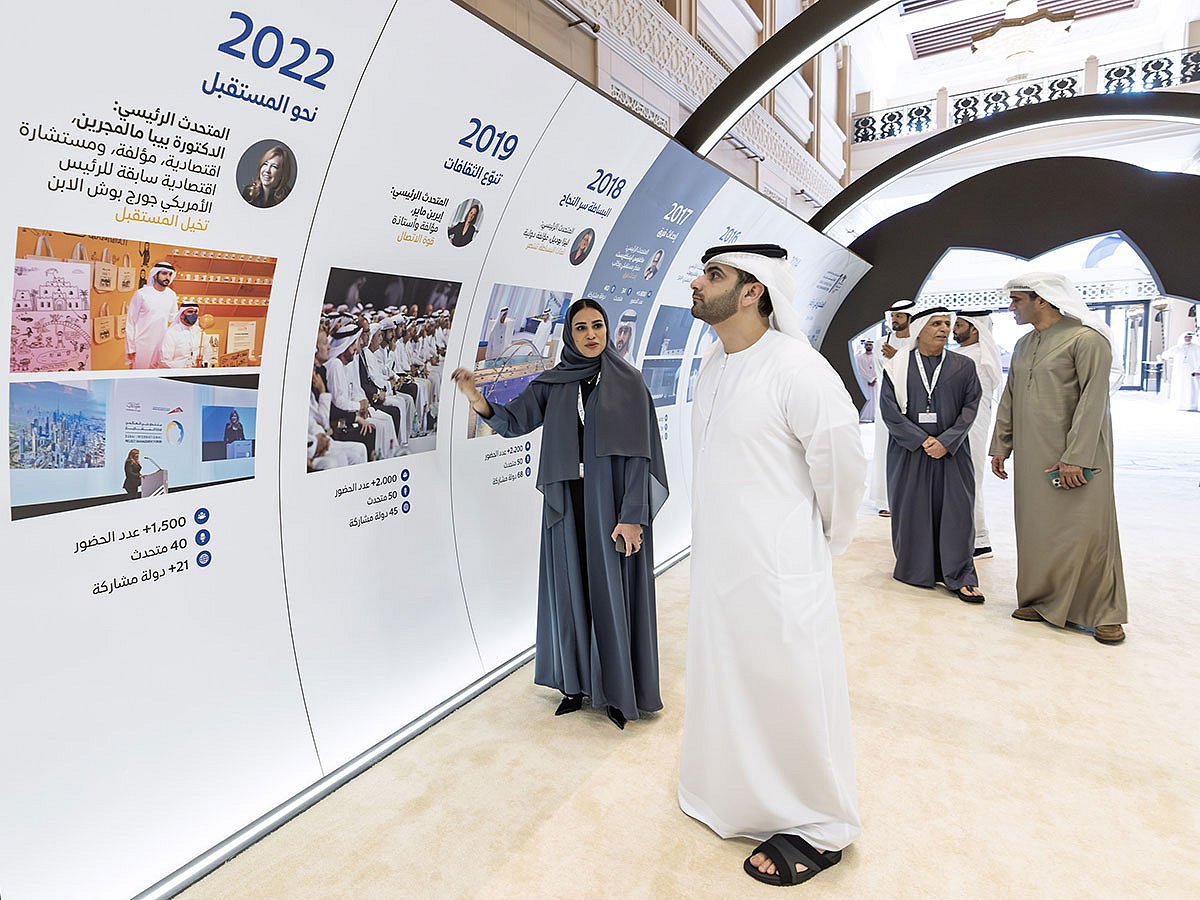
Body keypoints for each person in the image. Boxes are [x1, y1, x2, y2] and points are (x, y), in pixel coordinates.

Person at [681, 244, 865, 887]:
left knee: (791, 685)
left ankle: (820, 824)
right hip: (721, 567)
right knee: (729, 678)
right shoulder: (712, 364)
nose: (698, 285)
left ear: (754, 290)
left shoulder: (799, 369)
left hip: (780, 563)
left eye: (714, 276)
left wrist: (816, 543)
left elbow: (842, 470)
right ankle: (735, 795)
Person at [451, 298, 668, 730]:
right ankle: (576, 683)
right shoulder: (554, 382)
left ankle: (616, 690)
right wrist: (476, 398)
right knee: (570, 587)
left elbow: (642, 455)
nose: (591, 335)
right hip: (568, 499)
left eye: (598, 326)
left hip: (613, 504)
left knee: (612, 592)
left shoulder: (630, 383)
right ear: (569, 334)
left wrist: (633, 515)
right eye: (582, 327)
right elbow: (515, 422)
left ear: (607, 330)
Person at [990, 272, 1128, 645]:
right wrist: (1001, 444)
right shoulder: (1022, 344)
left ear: (1044, 299)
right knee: (1037, 529)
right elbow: (1011, 395)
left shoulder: (1088, 339)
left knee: (1087, 530)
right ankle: (1041, 599)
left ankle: (1104, 613)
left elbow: (1093, 401)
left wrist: (1075, 457)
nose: (1011, 307)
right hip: (1033, 455)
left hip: (1078, 454)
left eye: (1017, 300)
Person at [880, 308, 984, 602]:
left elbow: (970, 408)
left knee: (957, 512)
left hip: (952, 452)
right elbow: (888, 410)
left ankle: (960, 575)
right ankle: (915, 570)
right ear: (920, 328)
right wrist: (922, 440)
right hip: (909, 451)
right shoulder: (897, 365)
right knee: (913, 510)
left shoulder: (963, 366)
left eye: (947, 324)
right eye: (936, 324)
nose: (944, 329)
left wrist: (946, 441)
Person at [953, 310, 1003, 559]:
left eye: (959, 325)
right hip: (959, 427)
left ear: (975, 329)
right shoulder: (964, 354)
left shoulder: (979, 358)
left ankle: (980, 540)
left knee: (969, 480)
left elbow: (969, 400)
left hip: (971, 427)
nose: (953, 329)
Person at [867, 300, 915, 516]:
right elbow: (884, 374)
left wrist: (899, 357)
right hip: (886, 403)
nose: (895, 320)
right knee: (885, 448)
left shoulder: (917, 342)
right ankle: (885, 500)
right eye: (893, 316)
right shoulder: (880, 344)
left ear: (909, 318)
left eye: (899, 316)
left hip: (914, 403)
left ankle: (911, 498)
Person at [125, 261, 178, 369]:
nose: (167, 277)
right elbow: (130, 321)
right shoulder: (141, 294)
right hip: (142, 345)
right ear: (155, 274)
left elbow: (174, 319)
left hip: (163, 345)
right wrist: (130, 348)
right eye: (164, 273)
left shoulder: (171, 295)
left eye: (169, 274)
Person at [1162, 331, 1200, 411]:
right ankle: (1180, 404)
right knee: (1180, 386)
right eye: (1186, 337)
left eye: (1189, 337)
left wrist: (1198, 369)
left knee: (1192, 388)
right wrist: (1166, 357)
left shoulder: (1197, 348)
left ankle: (1192, 405)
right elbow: (1166, 354)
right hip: (1180, 372)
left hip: (1192, 371)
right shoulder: (1178, 347)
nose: (1188, 339)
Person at [159, 301, 203, 369]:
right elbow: (164, 362)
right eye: (190, 312)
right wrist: (186, 366)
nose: (194, 315)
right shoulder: (172, 333)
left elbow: (208, 354)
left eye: (196, 312)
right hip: (178, 373)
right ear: (181, 315)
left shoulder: (200, 332)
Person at [854, 338, 877, 423]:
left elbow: (878, 368)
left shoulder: (876, 356)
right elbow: (861, 370)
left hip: (875, 382)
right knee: (866, 398)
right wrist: (869, 379)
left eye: (870, 345)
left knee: (875, 398)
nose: (868, 346)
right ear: (864, 346)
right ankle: (865, 416)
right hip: (865, 381)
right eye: (867, 345)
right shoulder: (860, 357)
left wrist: (874, 378)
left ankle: (874, 416)